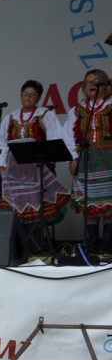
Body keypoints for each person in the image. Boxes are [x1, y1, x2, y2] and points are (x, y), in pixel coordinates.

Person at [0, 79, 71, 234]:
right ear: (20, 96)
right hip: (15, 173)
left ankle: (38, 242)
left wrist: (47, 160)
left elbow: (56, 141)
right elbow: (1, 143)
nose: (28, 98)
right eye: (25, 94)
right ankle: (20, 246)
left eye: (32, 95)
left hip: (38, 171)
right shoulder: (10, 117)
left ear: (38, 98)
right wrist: (2, 164)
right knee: (15, 207)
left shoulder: (45, 115)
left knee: (37, 206)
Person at [64, 69, 112, 252]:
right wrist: (73, 158)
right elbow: (68, 136)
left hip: (109, 158)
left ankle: (108, 244)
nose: (91, 85)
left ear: (105, 85)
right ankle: (91, 244)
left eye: (96, 82)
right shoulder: (77, 109)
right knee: (89, 200)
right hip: (86, 159)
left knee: (109, 201)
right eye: (88, 82)